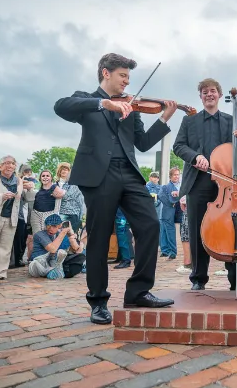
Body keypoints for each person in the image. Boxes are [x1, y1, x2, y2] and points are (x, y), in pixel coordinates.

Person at [54, 53, 178, 324]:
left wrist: (165, 119)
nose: (126, 82)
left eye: (128, 77)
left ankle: (138, 291)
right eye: (122, 76)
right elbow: (61, 106)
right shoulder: (87, 100)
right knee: (99, 238)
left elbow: (143, 143)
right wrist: (104, 104)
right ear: (105, 73)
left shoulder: (131, 107)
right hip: (98, 175)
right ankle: (98, 301)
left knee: (150, 226)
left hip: (130, 174)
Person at [173, 78, 237, 291]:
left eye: (212, 91)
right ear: (200, 96)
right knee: (197, 230)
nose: (208, 94)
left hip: (228, 185)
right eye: (204, 92)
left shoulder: (232, 120)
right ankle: (198, 279)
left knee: (233, 229)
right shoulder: (189, 121)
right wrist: (195, 157)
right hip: (198, 182)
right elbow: (178, 146)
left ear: (219, 95)